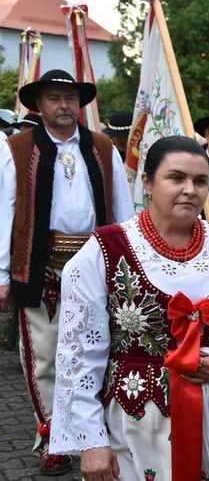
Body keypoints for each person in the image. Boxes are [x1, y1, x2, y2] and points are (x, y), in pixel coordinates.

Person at [49, 136, 209, 480]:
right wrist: (90, 441)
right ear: (147, 182)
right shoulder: (106, 249)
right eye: (176, 178)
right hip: (134, 423)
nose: (190, 190)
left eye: (200, 181)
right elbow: (78, 354)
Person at [0, 69, 134, 475]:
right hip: (39, 265)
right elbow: (4, 211)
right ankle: (51, 436)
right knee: (44, 357)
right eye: (55, 98)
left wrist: (129, 264)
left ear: (80, 104)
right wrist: (3, 275)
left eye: (70, 98)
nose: (63, 105)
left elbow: (123, 207)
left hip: (94, 264)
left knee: (97, 353)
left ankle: (96, 434)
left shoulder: (103, 146)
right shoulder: (17, 147)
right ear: (38, 105)